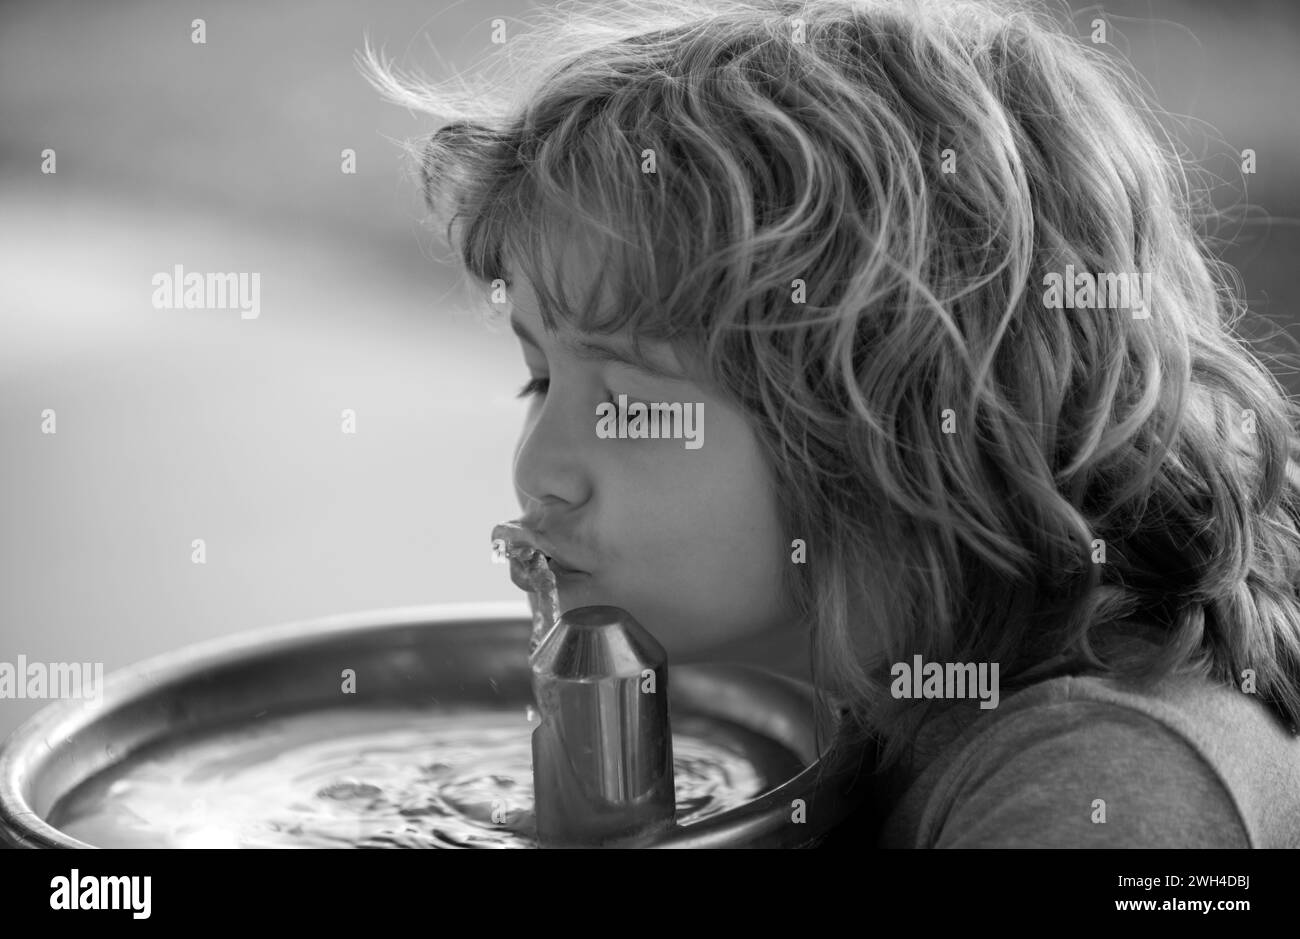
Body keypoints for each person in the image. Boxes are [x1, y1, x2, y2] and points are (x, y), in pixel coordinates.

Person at [361, 0, 1300, 846]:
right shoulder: (867, 670)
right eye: (537, 380)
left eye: (628, 403)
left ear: (888, 428)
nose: (539, 473)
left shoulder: (1104, 784)